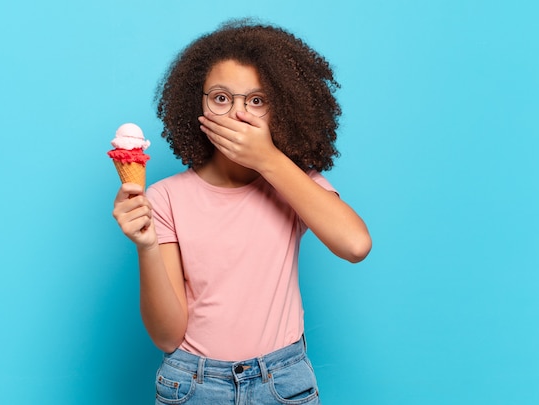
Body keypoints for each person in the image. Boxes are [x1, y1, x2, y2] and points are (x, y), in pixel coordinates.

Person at [112, 19, 371, 405]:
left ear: (282, 107)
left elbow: (355, 245)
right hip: (193, 384)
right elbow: (167, 336)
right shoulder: (166, 197)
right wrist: (146, 246)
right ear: (196, 105)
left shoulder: (294, 183)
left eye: (256, 100)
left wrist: (268, 159)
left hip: (283, 382)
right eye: (221, 98)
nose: (238, 115)